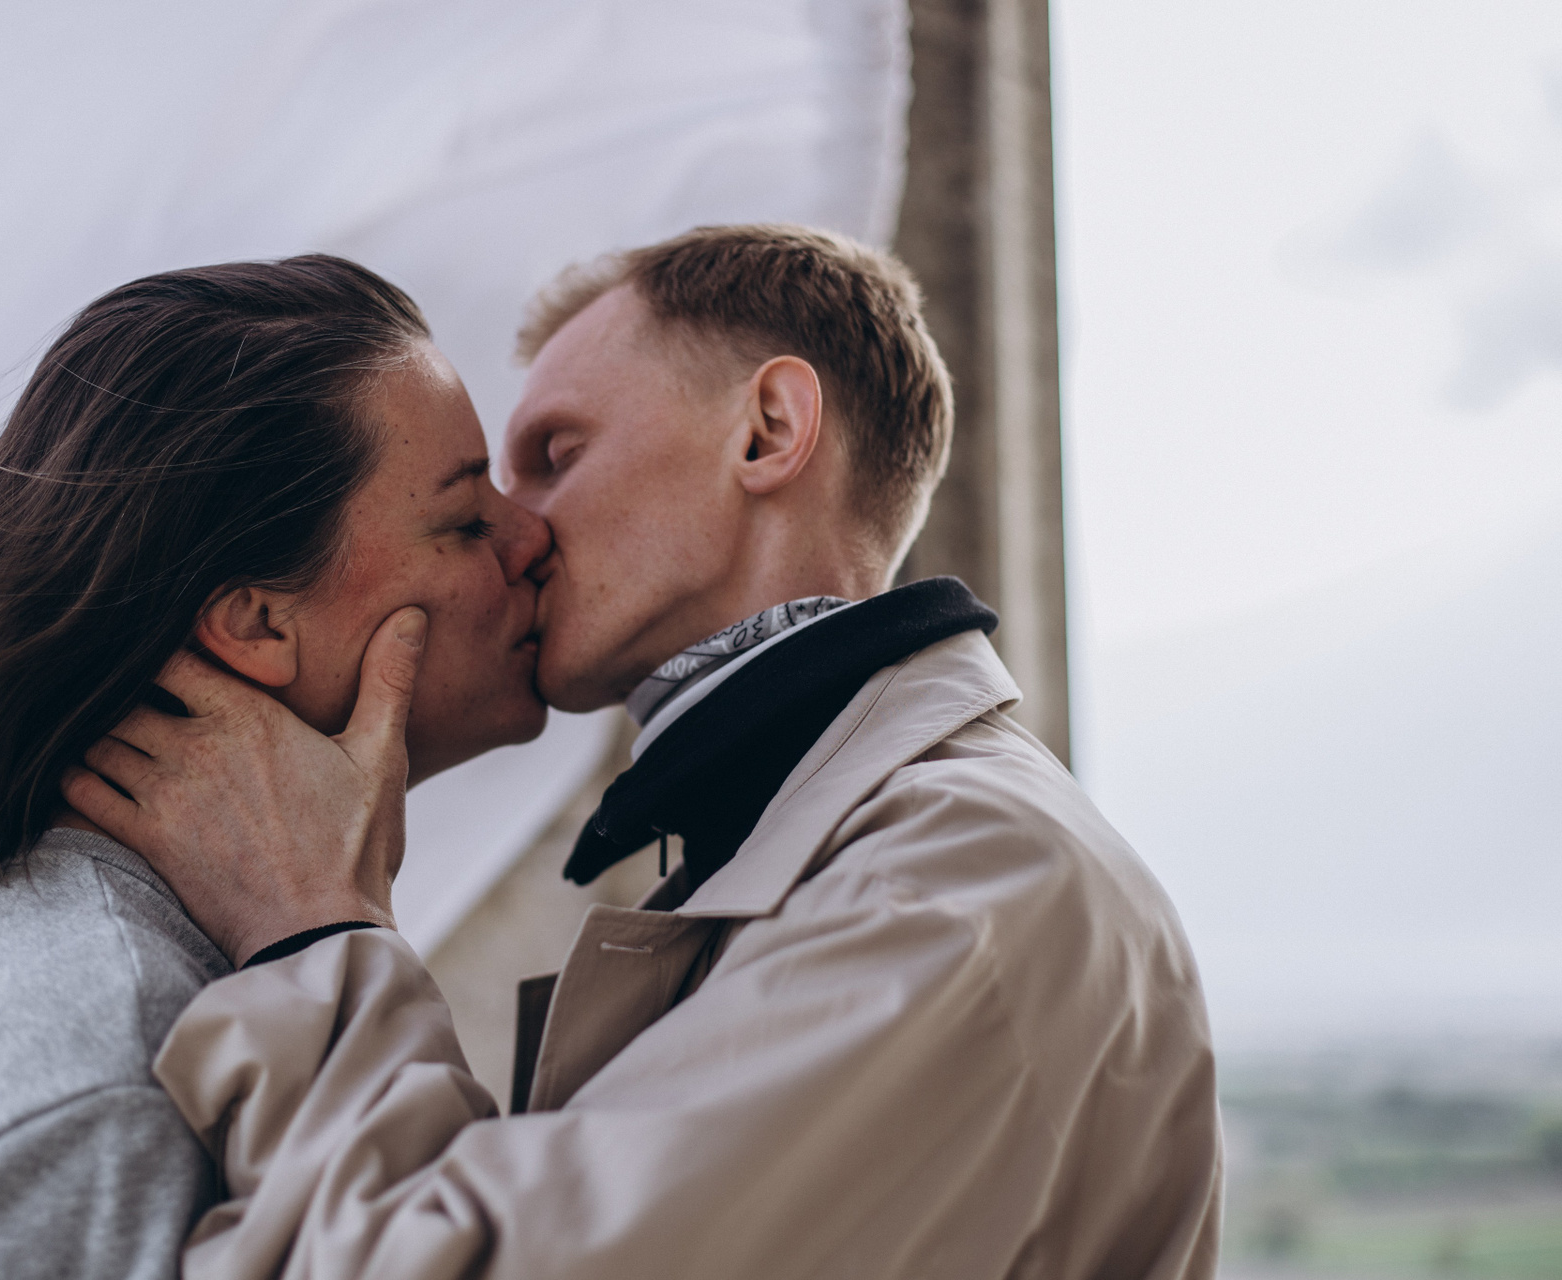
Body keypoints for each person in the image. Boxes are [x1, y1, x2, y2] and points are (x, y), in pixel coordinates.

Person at [68, 226, 1225, 1279]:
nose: (519, 528)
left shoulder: (955, 878)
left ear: (769, 430)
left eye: (556, 452)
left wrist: (314, 933)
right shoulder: (836, 844)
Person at [0, 256, 554, 1279]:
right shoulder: (99, 1050)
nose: (532, 534)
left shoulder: (120, 971)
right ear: (257, 622)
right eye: (464, 520)